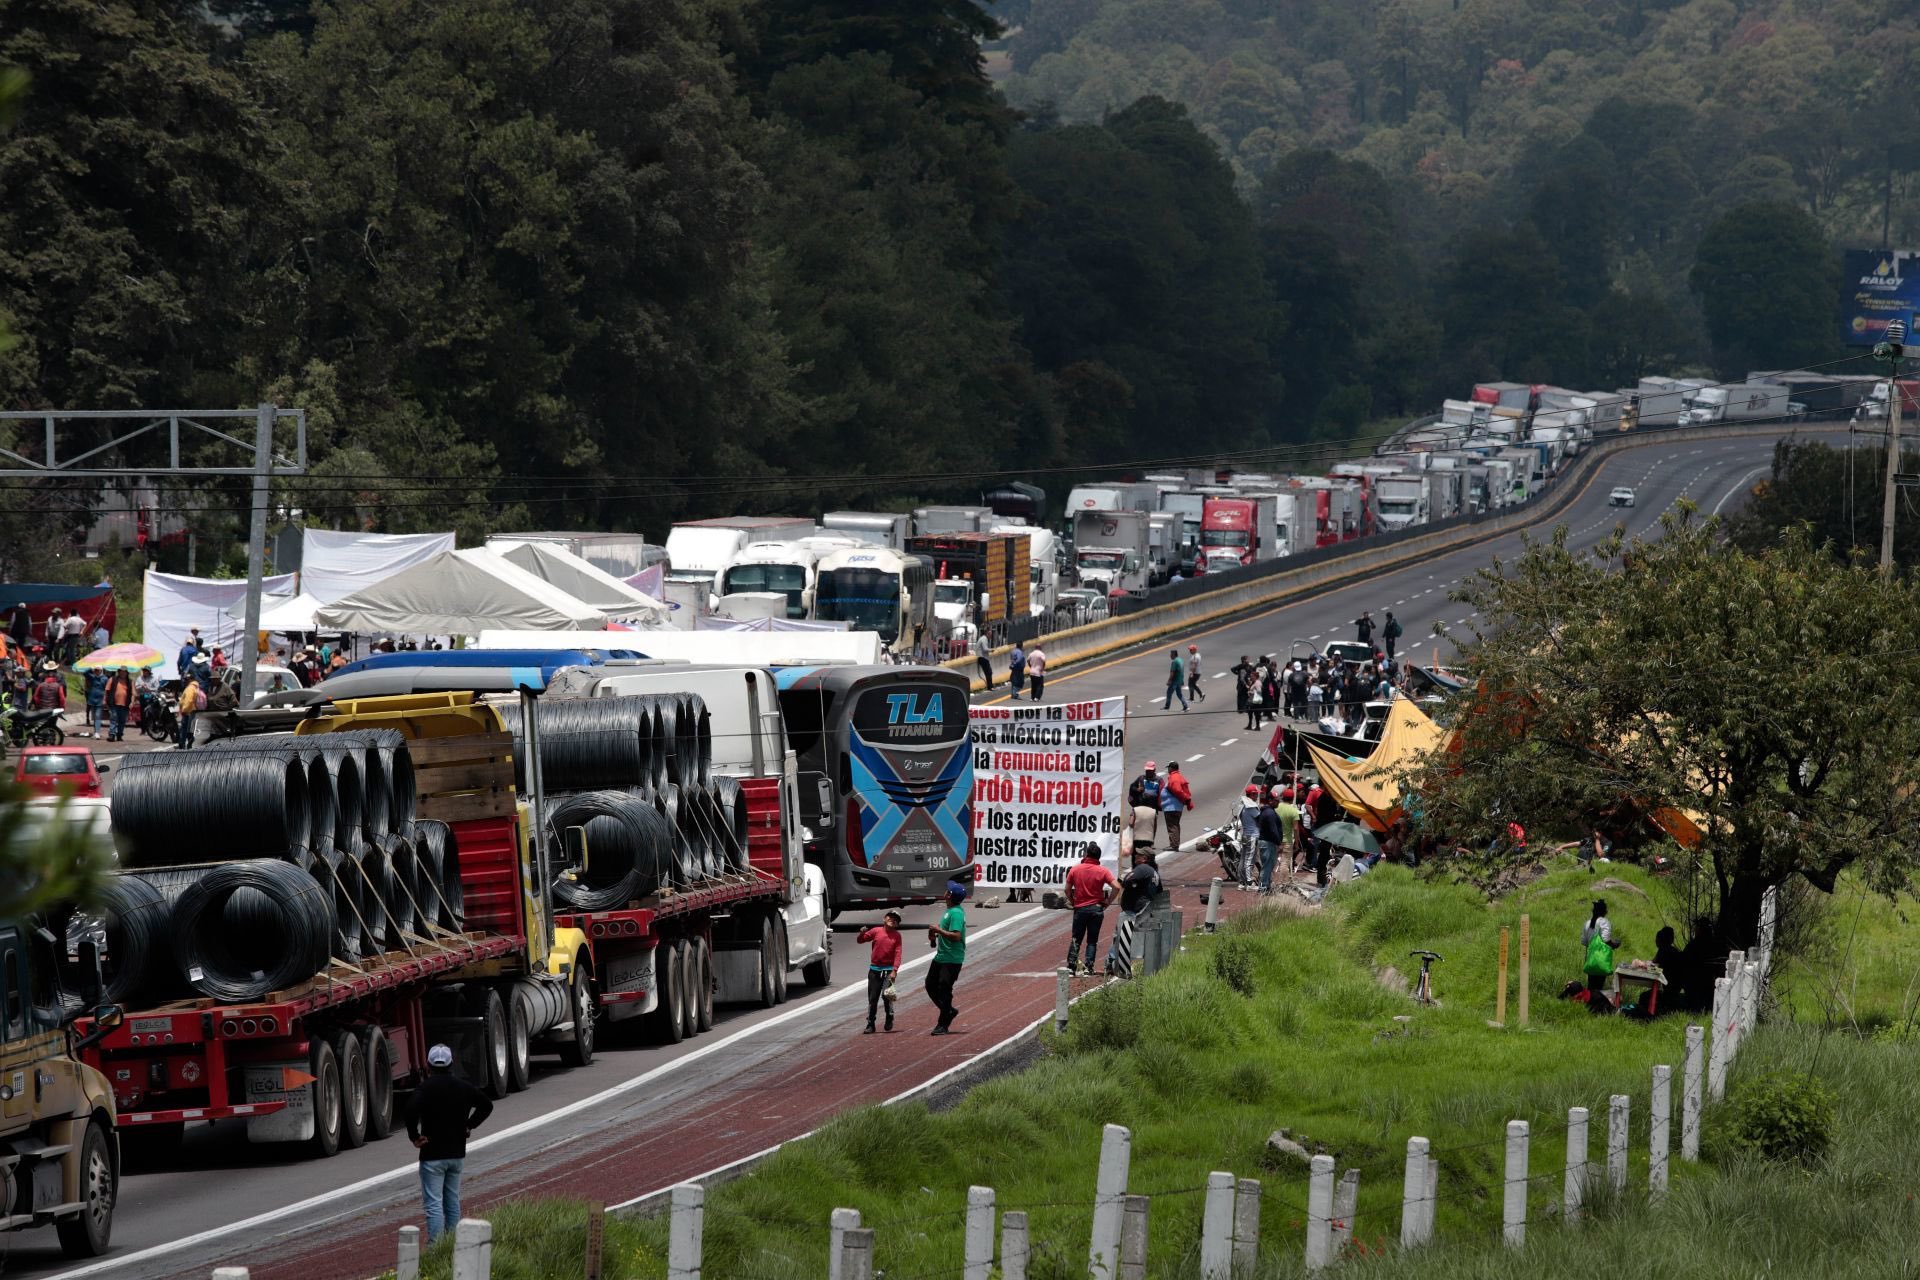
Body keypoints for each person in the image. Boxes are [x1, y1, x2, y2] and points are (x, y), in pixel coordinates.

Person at [405, 1042, 494, 1245]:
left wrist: (414, 1136)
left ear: (428, 1066)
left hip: (432, 1155)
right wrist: (469, 1125)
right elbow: (486, 1105)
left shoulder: (424, 1088)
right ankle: (453, 1243)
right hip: (456, 1154)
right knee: (452, 1199)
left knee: (434, 1203)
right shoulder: (463, 1087)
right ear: (451, 1063)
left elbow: (410, 1110)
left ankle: (436, 1245)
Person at [1106, 845, 1161, 977]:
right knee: (1132, 937)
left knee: (1120, 936)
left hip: (1133, 910)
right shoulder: (1154, 872)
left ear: (1145, 859)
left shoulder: (1142, 869)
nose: (1135, 856)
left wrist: (1126, 881)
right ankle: (1119, 962)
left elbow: (1126, 880)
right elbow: (1159, 891)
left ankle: (1112, 963)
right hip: (1145, 910)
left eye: (1139, 855)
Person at [1064, 845, 1119, 975]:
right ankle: (1089, 967)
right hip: (1096, 908)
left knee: (1076, 938)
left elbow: (1067, 890)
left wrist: (1073, 901)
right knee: (1092, 940)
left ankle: (1071, 966)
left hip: (1080, 908)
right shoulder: (1102, 871)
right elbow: (1116, 887)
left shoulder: (1075, 870)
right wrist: (1107, 902)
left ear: (1086, 855)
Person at [925, 881, 967, 1034]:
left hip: (952, 958)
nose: (945, 891)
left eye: (947, 890)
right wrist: (934, 936)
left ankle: (943, 1023)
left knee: (944, 988)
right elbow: (946, 933)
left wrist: (938, 930)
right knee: (930, 984)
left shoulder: (956, 913)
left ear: (949, 895)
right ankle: (948, 1010)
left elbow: (956, 936)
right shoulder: (950, 910)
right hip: (942, 956)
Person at [857, 911, 904, 1033]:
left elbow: (898, 954)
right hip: (874, 970)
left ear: (897, 924)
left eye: (895, 920)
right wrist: (862, 933)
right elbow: (861, 940)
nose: (892, 920)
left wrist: (894, 970)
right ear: (884, 919)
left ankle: (889, 1016)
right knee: (873, 998)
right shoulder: (876, 931)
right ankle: (870, 1023)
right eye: (890, 917)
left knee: (887, 995)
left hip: (888, 971)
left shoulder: (897, 936)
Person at [1582, 899, 1618, 1001]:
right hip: (1601, 960)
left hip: (1590, 959)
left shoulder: (1587, 923)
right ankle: (1596, 1006)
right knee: (1598, 987)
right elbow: (1606, 939)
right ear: (1604, 912)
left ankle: (1588, 1003)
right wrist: (1614, 944)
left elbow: (1584, 942)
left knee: (1591, 984)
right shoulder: (1604, 922)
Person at [1254, 792, 1285, 893]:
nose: (1278, 802)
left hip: (1266, 841)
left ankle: (1266, 885)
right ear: (1270, 800)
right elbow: (1273, 829)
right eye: (1276, 800)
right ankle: (1263, 888)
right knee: (1267, 866)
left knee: (1268, 865)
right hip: (1268, 842)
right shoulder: (1270, 813)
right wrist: (1279, 843)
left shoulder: (1266, 811)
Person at [1161, 761, 1193, 850]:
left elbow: (1177, 790)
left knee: (1172, 826)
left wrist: (1182, 798)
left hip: (1172, 806)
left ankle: (1174, 845)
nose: (1168, 769)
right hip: (1175, 806)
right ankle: (1175, 844)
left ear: (1171, 768)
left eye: (1168, 768)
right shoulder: (1178, 776)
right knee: (1175, 825)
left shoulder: (1174, 777)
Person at [103, 669, 135, 742]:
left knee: (122, 721)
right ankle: (112, 734)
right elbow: (107, 690)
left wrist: (132, 702)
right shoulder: (112, 679)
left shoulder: (130, 681)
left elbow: (133, 694)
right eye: (121, 671)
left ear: (127, 673)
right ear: (119, 672)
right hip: (114, 703)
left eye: (125, 672)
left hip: (125, 704)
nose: (123, 673)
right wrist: (104, 700)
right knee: (113, 719)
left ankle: (119, 735)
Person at [176, 673, 203, 749]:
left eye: (186, 679)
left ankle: (183, 746)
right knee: (191, 729)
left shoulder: (190, 688)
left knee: (185, 730)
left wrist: (184, 710)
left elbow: (189, 700)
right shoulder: (195, 687)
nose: (185, 681)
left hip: (188, 712)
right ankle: (189, 745)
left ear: (191, 680)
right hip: (193, 712)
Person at [83, 669, 105, 739]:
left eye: (98, 670)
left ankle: (97, 732)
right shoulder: (93, 677)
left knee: (98, 716)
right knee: (94, 717)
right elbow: (85, 672)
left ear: (101, 671)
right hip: (92, 699)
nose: (96, 671)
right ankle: (96, 731)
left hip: (100, 700)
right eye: (95, 670)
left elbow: (107, 689)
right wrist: (91, 668)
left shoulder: (104, 678)